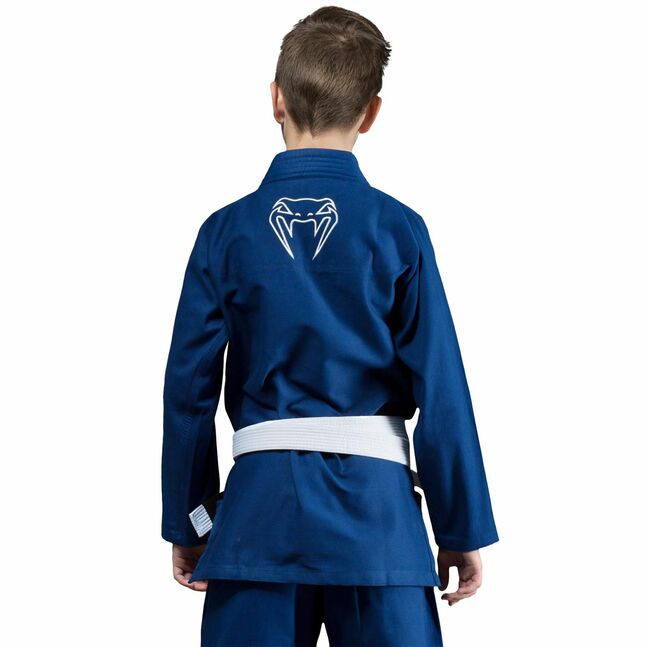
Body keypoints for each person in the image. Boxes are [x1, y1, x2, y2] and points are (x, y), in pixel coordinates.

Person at [161, 6, 499, 646]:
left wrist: (192, 521)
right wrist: (460, 528)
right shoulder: (398, 230)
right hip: (379, 527)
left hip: (256, 523)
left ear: (275, 99)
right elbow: (442, 388)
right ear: (371, 113)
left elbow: (188, 394)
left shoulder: (225, 233)